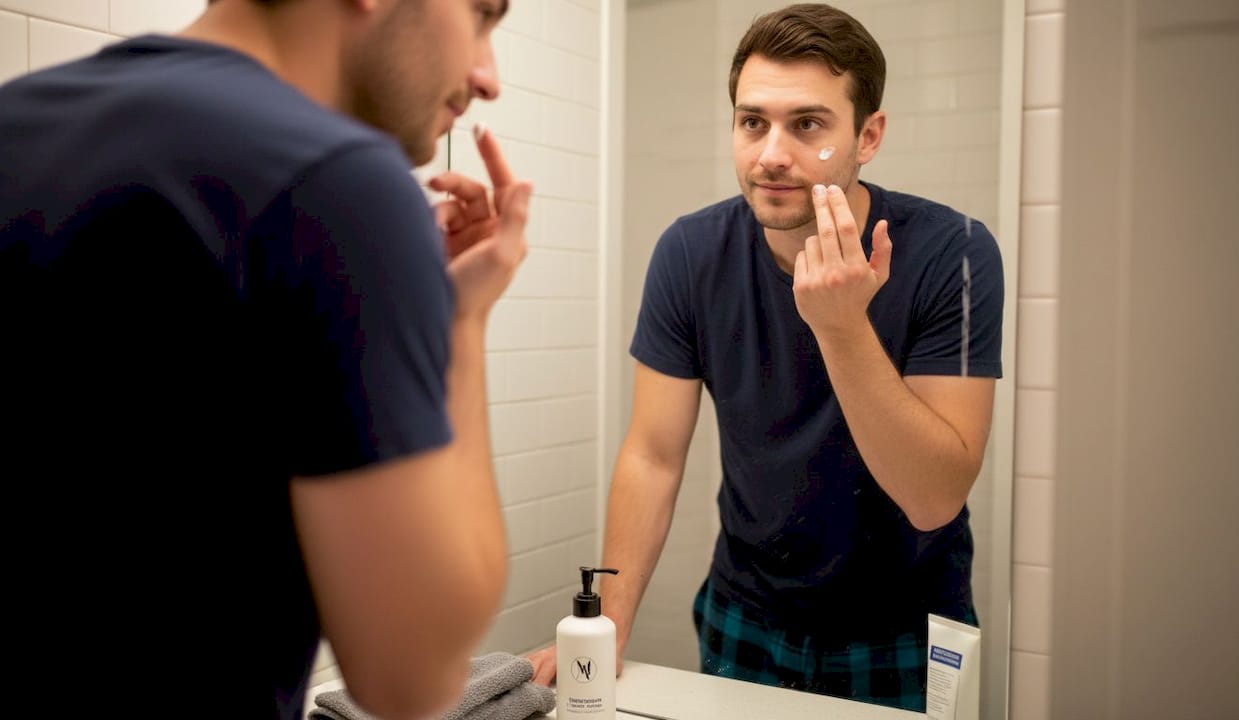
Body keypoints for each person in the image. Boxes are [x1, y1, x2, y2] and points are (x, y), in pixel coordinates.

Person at [0, 1, 530, 718]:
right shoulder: (339, 183)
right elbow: (414, 678)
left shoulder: (18, 118)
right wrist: (462, 324)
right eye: (482, 12)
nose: (487, 74)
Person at [528, 3, 1003, 712]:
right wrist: (610, 622)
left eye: (806, 123)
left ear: (868, 135)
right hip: (746, 613)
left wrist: (841, 328)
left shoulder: (952, 253)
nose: (771, 153)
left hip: (901, 624)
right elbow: (653, 454)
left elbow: (934, 498)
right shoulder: (690, 254)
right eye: (753, 122)